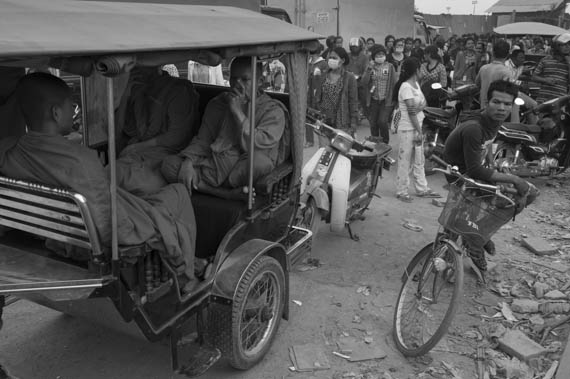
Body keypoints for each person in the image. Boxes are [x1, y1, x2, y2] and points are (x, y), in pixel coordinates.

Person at [0, 73, 198, 292]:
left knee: (138, 193)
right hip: (93, 243)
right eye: (70, 105)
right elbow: (111, 232)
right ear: (56, 113)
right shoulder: (81, 161)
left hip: (54, 232)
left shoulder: (9, 154)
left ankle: (191, 263)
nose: (73, 109)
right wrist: (146, 224)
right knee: (178, 192)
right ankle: (186, 275)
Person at [443, 80, 538, 272]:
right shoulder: (473, 127)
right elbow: (475, 170)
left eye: (507, 104)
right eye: (497, 102)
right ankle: (463, 247)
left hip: (475, 170)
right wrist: (513, 179)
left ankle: (478, 236)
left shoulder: (494, 122)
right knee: (459, 218)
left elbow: (484, 147)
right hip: (460, 175)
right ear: (487, 102)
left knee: (530, 193)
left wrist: (494, 167)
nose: (502, 108)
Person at [160, 57, 287, 193]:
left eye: (244, 80)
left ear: (259, 82)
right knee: (168, 165)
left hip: (239, 169)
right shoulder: (218, 104)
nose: (238, 84)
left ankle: (203, 186)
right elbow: (204, 139)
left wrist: (237, 111)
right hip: (213, 163)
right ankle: (224, 193)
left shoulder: (273, 111)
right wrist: (188, 162)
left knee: (261, 164)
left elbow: (256, 145)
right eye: (234, 79)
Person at [115, 65, 200, 195]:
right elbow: (119, 131)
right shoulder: (139, 90)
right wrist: (126, 94)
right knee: (107, 175)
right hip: (136, 156)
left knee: (132, 184)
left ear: (156, 66)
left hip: (166, 156)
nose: (136, 70)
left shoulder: (179, 89)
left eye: (140, 65)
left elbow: (177, 137)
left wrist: (136, 147)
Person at [393, 57, 440, 202]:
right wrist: (419, 130)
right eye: (421, 69)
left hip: (417, 127)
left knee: (419, 159)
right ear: (416, 70)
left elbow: (423, 103)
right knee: (405, 160)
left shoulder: (416, 85)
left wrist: (417, 109)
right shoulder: (406, 87)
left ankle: (422, 188)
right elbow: (412, 111)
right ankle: (402, 191)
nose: (422, 71)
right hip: (408, 129)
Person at [315, 47, 358, 139]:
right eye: (330, 58)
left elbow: (353, 102)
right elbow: (318, 97)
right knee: (324, 150)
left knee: (340, 151)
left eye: (334, 58)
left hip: (342, 123)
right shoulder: (323, 76)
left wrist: (353, 125)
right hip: (325, 122)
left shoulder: (349, 78)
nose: (331, 60)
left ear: (342, 60)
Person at [362, 44, 397, 143]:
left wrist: (394, 99)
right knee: (373, 123)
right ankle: (375, 143)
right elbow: (364, 82)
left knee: (382, 121)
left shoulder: (390, 67)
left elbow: (394, 83)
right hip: (373, 100)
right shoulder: (370, 66)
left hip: (386, 100)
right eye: (378, 55)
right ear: (374, 57)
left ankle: (385, 142)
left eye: (382, 54)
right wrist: (369, 69)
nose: (380, 56)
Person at [531, 33, 570, 104]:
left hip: (560, 102)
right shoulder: (545, 60)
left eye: (569, 44)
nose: (567, 47)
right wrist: (546, 80)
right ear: (557, 46)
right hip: (543, 100)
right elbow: (534, 77)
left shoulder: (568, 62)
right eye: (564, 45)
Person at [307, 44, 328, 147]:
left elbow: (326, 78)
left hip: (319, 93)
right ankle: (309, 140)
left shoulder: (323, 63)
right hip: (309, 93)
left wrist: (319, 75)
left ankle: (322, 141)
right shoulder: (309, 63)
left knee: (320, 118)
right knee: (308, 116)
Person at [346, 37, 370, 120]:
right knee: (350, 101)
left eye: (356, 47)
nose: (354, 48)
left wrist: (360, 76)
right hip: (348, 82)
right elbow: (344, 67)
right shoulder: (347, 56)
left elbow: (366, 69)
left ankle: (368, 117)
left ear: (360, 47)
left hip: (360, 82)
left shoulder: (364, 57)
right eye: (352, 47)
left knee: (364, 100)